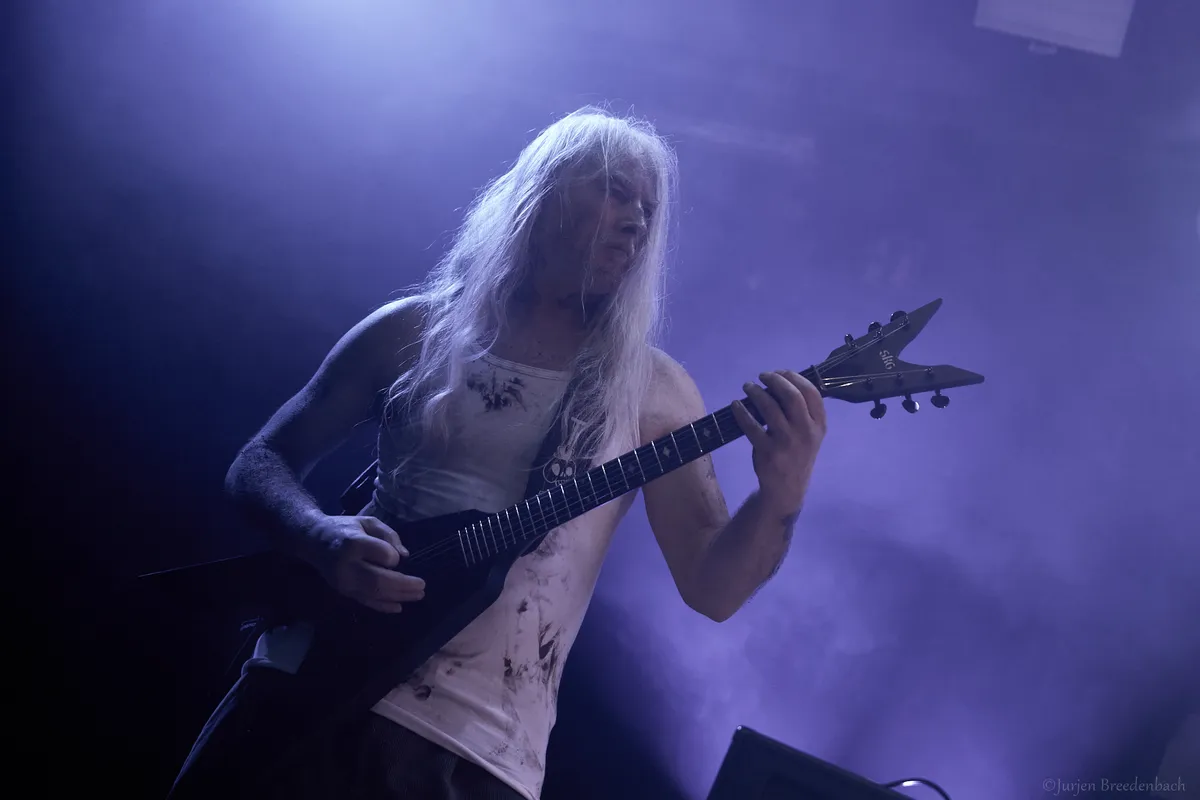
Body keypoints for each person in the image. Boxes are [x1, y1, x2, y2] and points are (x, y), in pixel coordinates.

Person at [169, 106, 828, 800]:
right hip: (307, 684)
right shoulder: (412, 329)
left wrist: (780, 498)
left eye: (649, 208)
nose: (637, 221)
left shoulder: (654, 389)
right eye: (616, 191)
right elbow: (261, 461)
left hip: (479, 751)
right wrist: (319, 537)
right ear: (545, 191)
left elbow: (713, 591)